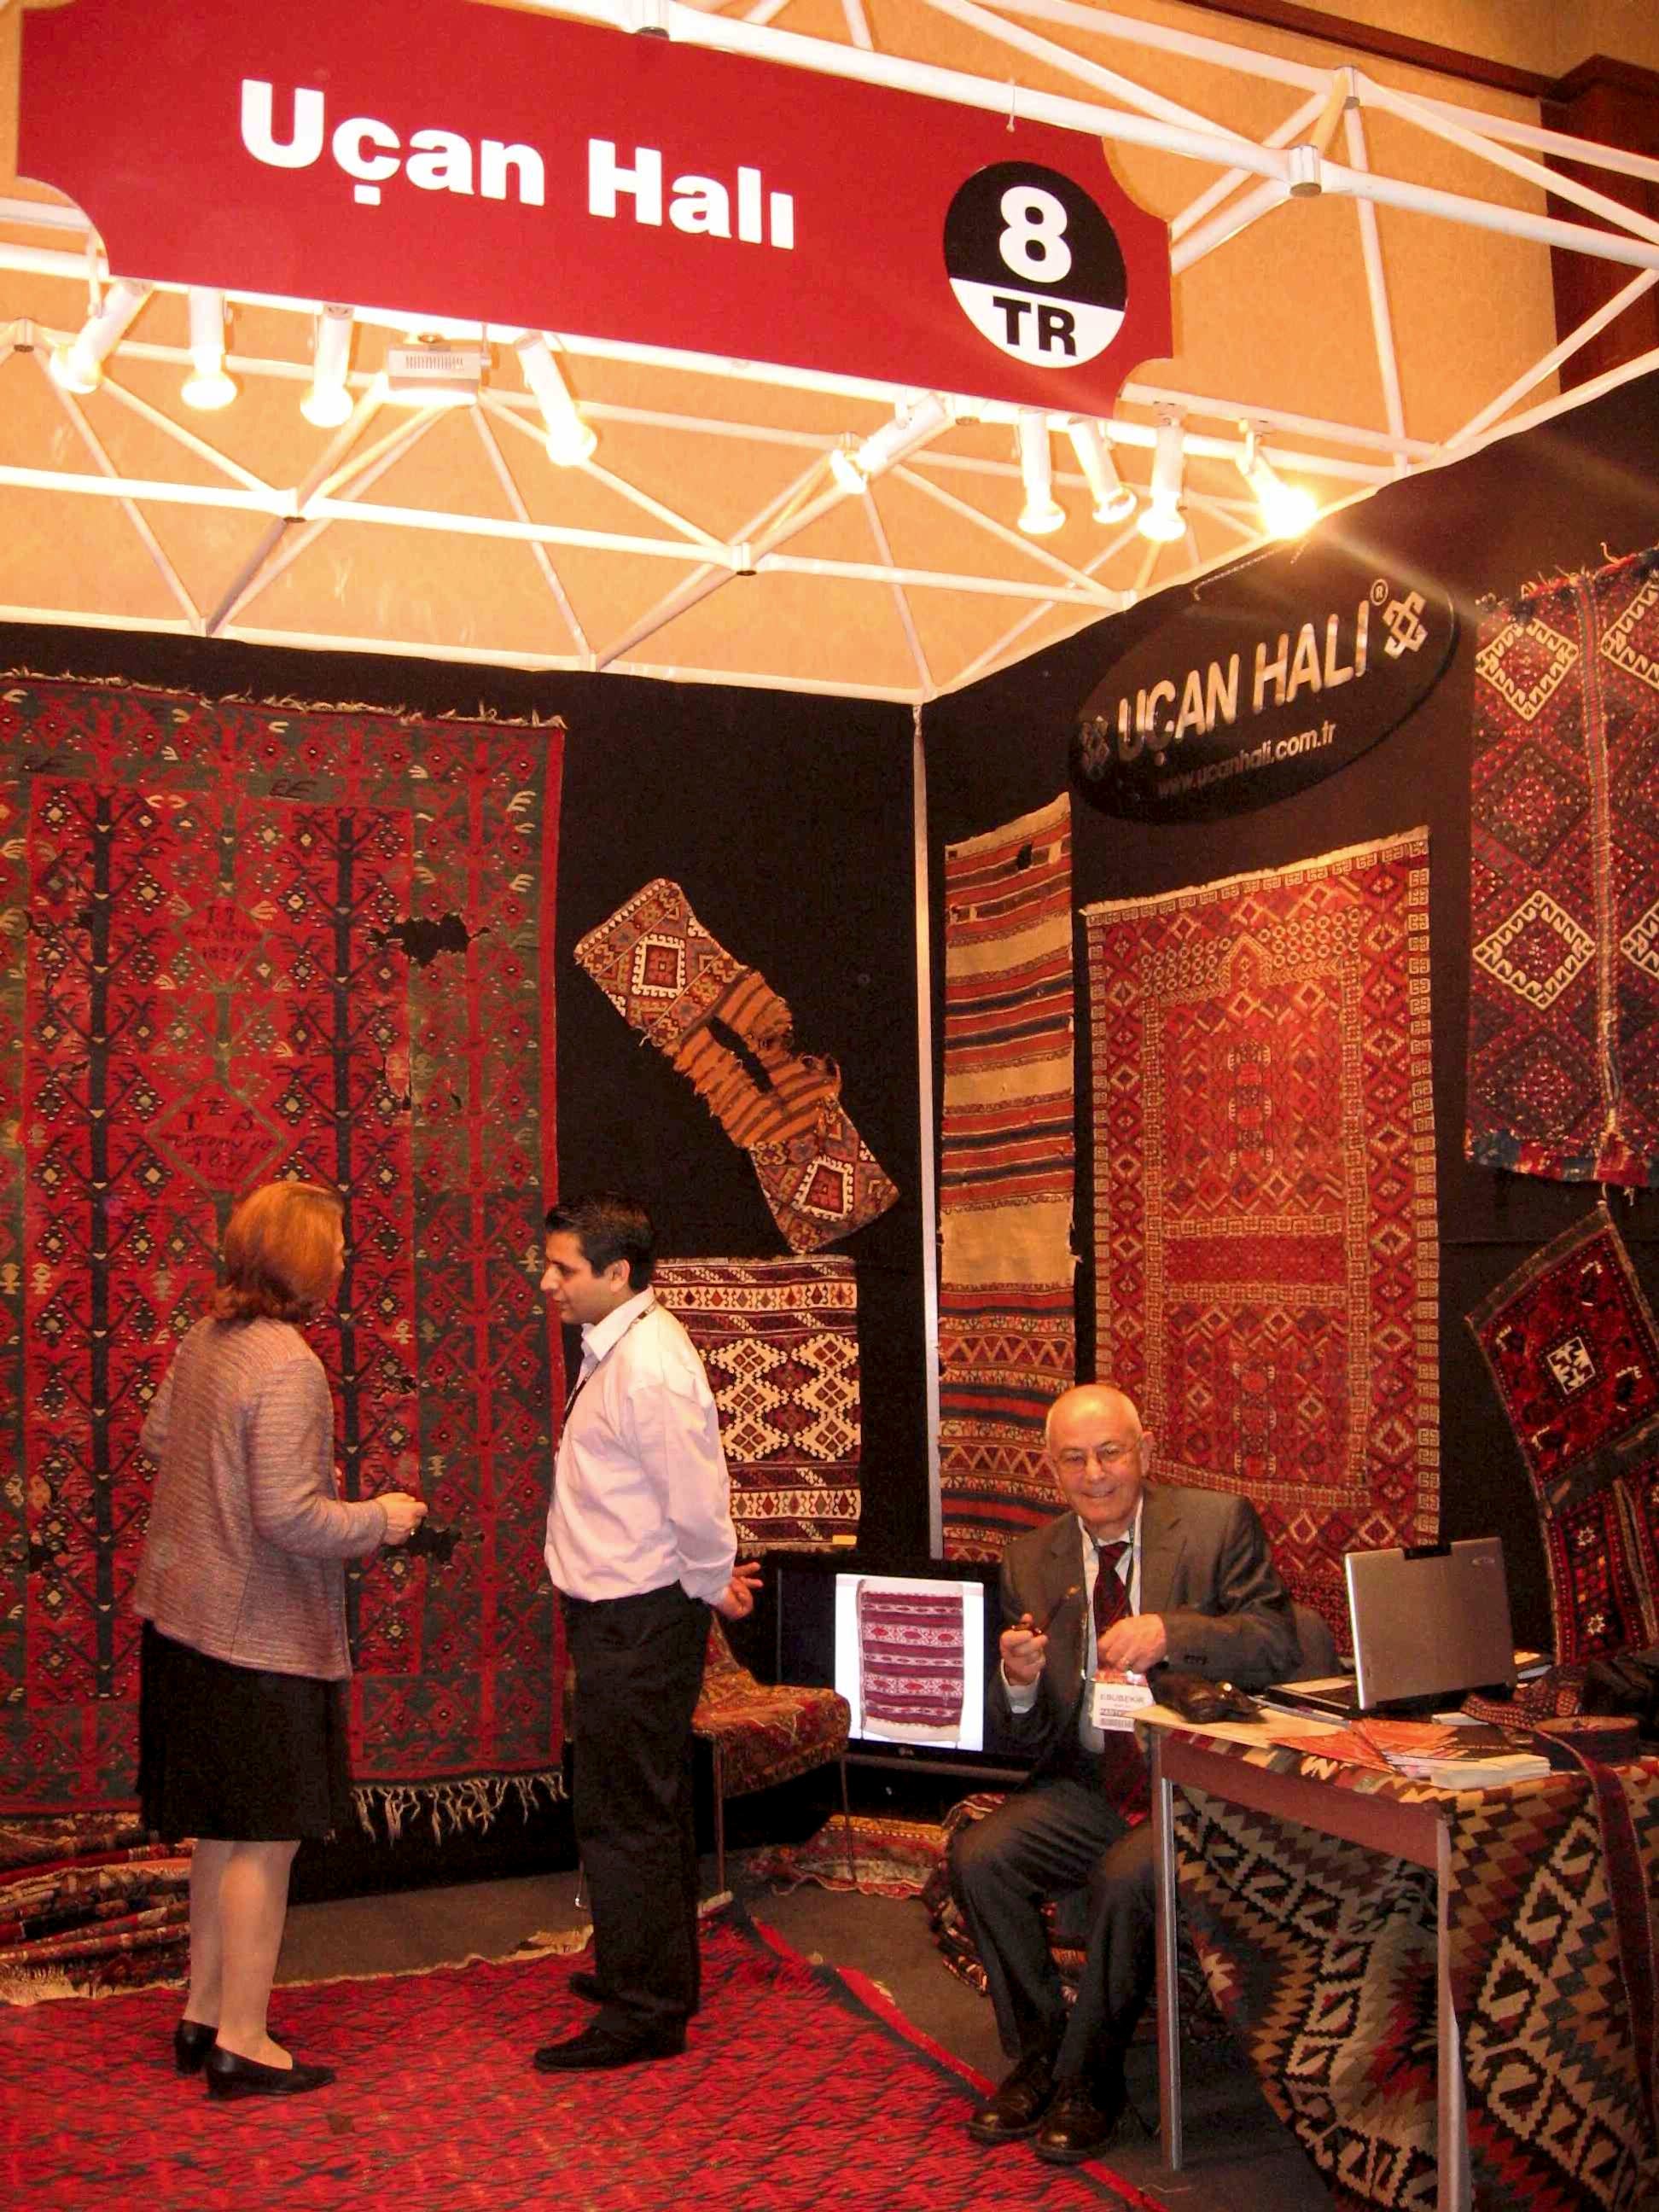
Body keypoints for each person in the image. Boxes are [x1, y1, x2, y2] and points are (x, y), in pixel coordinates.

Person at [951, 1382, 1298, 2166]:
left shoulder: (1215, 1525)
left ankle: (1092, 2084)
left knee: (1125, 1877)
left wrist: (1172, 1631)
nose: (1095, 1474)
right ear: (1051, 1469)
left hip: (1198, 1788)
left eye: (1110, 1453)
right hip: (1092, 1783)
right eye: (1073, 1459)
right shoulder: (1029, 1559)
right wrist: (1018, 1681)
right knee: (981, 1856)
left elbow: (1278, 1642)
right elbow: (1025, 1735)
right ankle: (1042, 2055)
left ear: (1145, 1453)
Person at [132, 1180, 428, 2101]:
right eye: (334, 1241)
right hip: (255, 1641)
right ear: (301, 1258)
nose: (343, 1254)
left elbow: (155, 1440)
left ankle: (203, 2014)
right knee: (264, 1842)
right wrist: (381, 1518)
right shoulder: (290, 1365)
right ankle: (243, 2042)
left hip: (183, 1622)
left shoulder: (204, 1338)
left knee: (222, 1833)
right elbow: (290, 1517)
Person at [536, 1191, 760, 2072]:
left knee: (627, 1814)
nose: (548, 1283)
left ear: (618, 1272)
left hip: (638, 1621)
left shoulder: (651, 1366)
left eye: (564, 1269)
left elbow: (697, 1503)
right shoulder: (620, 1345)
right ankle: (648, 1973)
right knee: (633, 1806)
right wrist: (703, 1582)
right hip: (620, 1617)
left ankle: (646, 2012)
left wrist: (709, 1585)